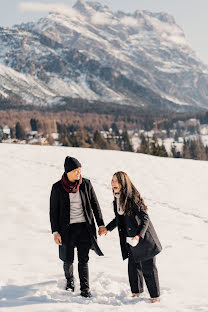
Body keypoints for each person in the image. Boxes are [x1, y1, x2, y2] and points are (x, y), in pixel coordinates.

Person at [99, 171, 162, 303]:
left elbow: (145, 219)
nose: (113, 183)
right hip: (130, 239)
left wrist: (139, 236)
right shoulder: (117, 198)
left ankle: (155, 297)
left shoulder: (133, 198)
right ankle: (136, 292)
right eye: (112, 180)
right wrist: (107, 229)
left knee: (148, 267)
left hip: (143, 239)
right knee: (133, 267)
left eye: (116, 181)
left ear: (123, 183)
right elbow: (119, 218)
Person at [50, 156, 105, 298]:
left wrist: (100, 224)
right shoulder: (57, 188)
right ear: (68, 171)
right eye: (76, 170)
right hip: (66, 230)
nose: (78, 173)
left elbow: (95, 205)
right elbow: (53, 212)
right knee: (68, 259)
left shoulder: (86, 184)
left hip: (85, 228)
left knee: (83, 259)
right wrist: (55, 232)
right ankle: (69, 281)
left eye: (80, 170)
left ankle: (85, 288)